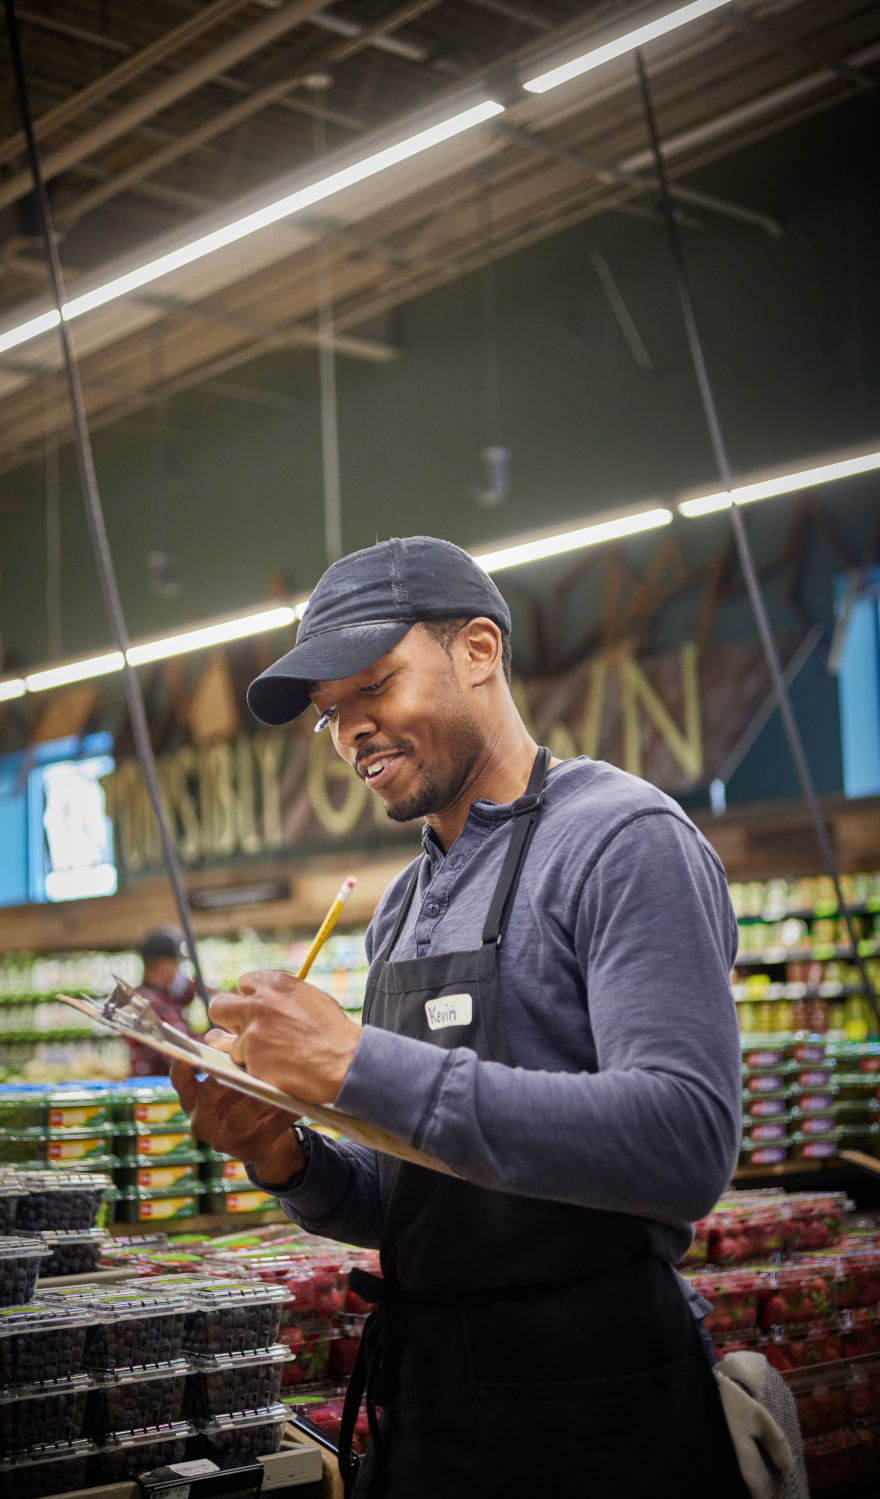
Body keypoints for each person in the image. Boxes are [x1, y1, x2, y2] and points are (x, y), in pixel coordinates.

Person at [171, 536, 749, 1498]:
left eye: (375, 686)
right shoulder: (403, 904)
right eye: (331, 714)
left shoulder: (621, 839)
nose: (352, 729)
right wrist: (287, 1155)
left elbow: (684, 1140)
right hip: (431, 1400)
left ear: (478, 650)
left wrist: (355, 1061)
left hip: (598, 1406)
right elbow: (411, 1196)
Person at [128, 927, 195, 1077]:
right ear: (164, 965)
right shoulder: (147, 1003)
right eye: (176, 964)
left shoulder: (160, 998)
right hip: (155, 1091)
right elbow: (181, 1049)